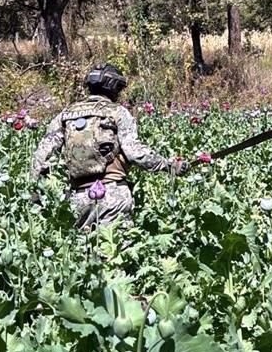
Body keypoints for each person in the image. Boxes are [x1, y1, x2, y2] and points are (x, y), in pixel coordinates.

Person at [30, 64, 188, 235]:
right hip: (113, 195)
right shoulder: (118, 113)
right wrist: (167, 165)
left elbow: (41, 156)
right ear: (112, 87)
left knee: (85, 255)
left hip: (78, 198)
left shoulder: (65, 115)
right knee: (115, 254)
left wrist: (36, 196)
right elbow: (134, 152)